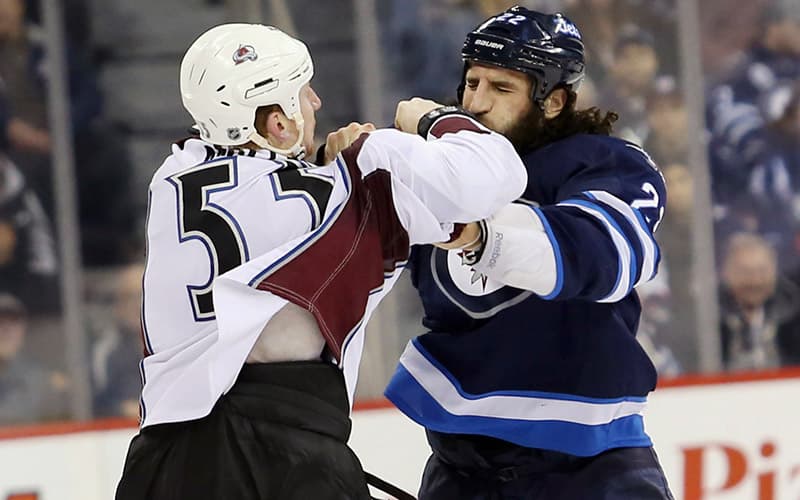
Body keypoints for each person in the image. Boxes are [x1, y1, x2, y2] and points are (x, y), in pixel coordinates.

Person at [115, 23, 527, 500]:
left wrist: (321, 164)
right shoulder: (340, 194)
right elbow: (498, 173)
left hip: (161, 463)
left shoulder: (172, 177)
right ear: (277, 123)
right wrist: (424, 125)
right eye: (302, 93)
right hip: (285, 458)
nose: (315, 103)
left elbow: (258, 180)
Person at [384, 7, 674, 499]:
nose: (475, 104)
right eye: (471, 83)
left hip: (592, 469)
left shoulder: (606, 163)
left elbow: (600, 254)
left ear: (554, 101)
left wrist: (476, 233)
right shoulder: (434, 173)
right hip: (461, 467)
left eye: (501, 89)